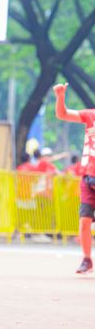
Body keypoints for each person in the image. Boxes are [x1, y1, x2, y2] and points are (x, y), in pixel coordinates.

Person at [53, 82, 95, 274]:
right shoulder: (91, 116)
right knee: (84, 221)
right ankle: (86, 259)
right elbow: (62, 114)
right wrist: (60, 96)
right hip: (88, 178)